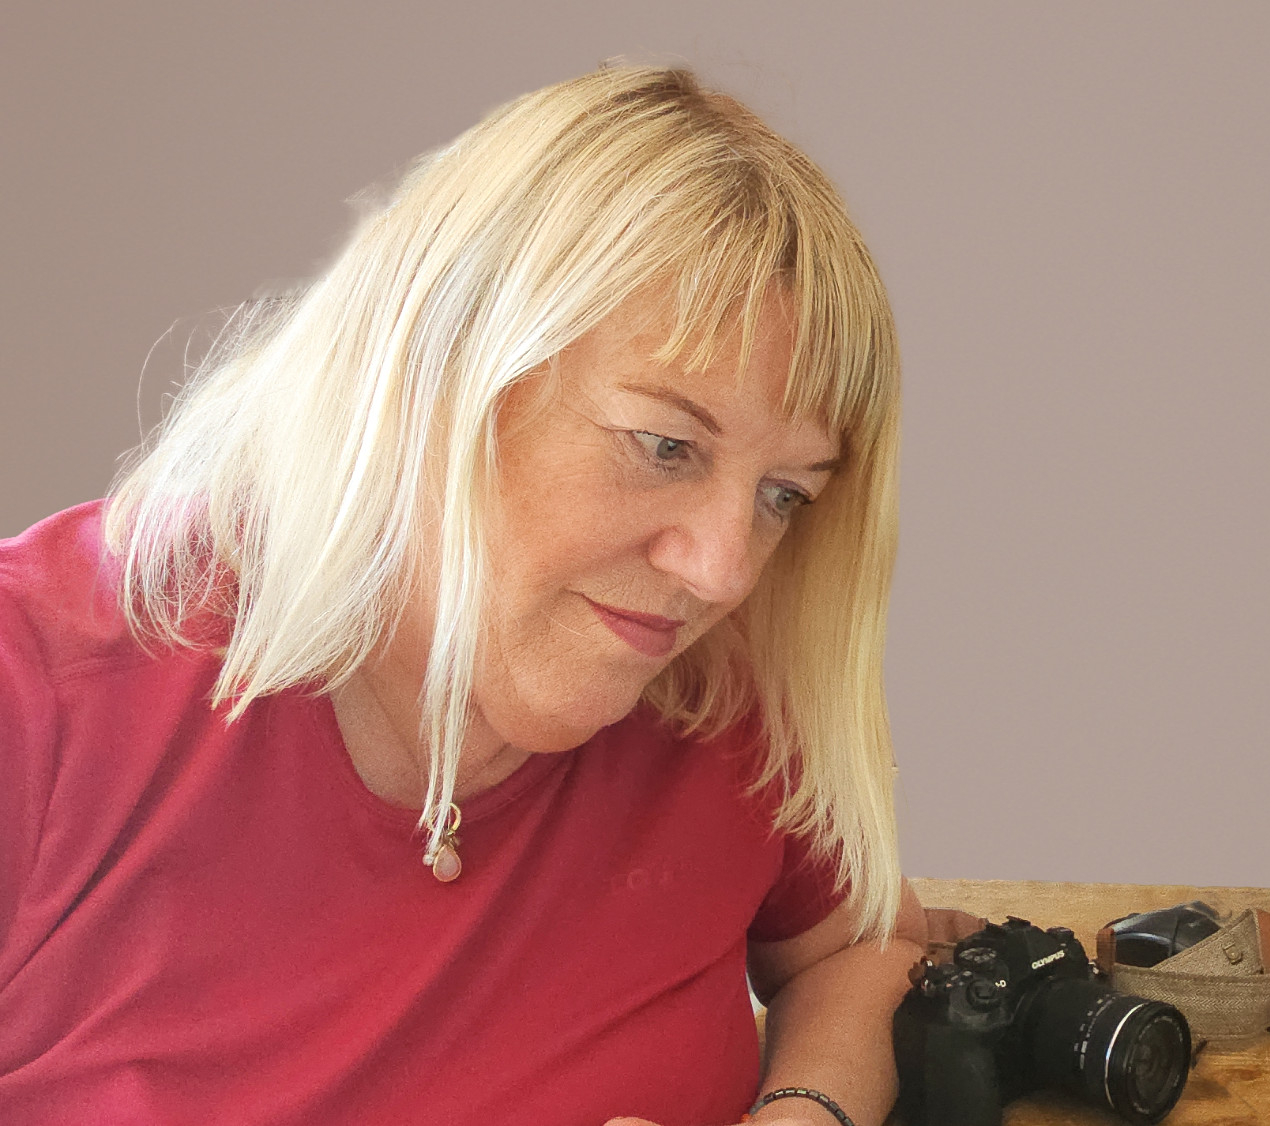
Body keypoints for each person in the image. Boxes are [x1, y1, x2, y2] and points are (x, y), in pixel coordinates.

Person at [0, 66, 925, 1126]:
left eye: (780, 496)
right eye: (664, 446)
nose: (722, 571)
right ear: (429, 372)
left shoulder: (712, 693)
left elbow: (867, 947)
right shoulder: (34, 695)